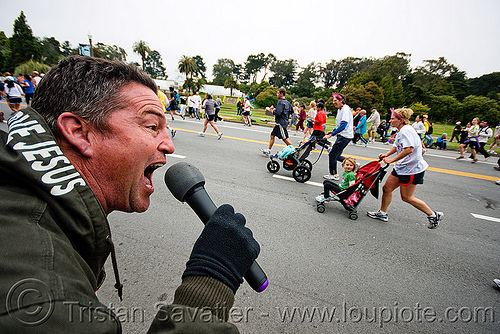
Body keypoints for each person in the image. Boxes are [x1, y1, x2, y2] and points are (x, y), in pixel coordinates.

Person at [0, 56, 259, 332]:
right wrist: (209, 282)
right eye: (151, 127)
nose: (169, 146)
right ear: (79, 132)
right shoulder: (45, 294)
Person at [367, 107, 443, 229]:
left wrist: (392, 160)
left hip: (411, 169)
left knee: (407, 197)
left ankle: (433, 215)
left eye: (392, 119)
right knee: (387, 188)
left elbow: (409, 149)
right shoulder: (401, 130)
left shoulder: (406, 130)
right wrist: (386, 155)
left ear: (400, 120)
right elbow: (397, 146)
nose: (390, 121)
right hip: (401, 167)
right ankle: (382, 213)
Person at [323, 93, 354, 181]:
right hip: (343, 135)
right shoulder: (340, 109)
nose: (333, 102)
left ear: (341, 101)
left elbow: (343, 125)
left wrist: (331, 135)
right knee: (336, 155)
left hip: (345, 136)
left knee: (332, 154)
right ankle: (353, 163)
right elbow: (340, 125)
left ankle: (333, 174)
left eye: (335, 100)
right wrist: (333, 131)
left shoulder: (345, 109)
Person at [261, 88, 293, 156]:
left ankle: (293, 150)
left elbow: (278, 113)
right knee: (272, 135)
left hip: (280, 123)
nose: (277, 95)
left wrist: (270, 110)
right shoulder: (287, 102)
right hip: (282, 122)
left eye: (278, 93)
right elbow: (291, 111)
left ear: (281, 94)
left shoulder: (280, 102)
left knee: (284, 138)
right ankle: (268, 150)